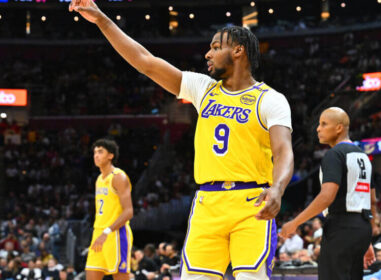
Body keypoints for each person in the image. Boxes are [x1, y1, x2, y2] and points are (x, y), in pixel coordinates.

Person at [69, 1, 294, 279]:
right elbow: (145, 62)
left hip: (251, 202)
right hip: (207, 203)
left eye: (215, 47)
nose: (207, 53)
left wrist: (279, 188)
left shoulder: (270, 99)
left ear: (238, 50)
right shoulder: (204, 89)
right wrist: (102, 20)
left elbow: (283, 151)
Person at [281, 107, 374, 280]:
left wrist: (295, 222)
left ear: (339, 128)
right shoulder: (363, 156)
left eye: (324, 124)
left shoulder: (334, 154)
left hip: (341, 228)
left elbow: (327, 197)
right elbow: (371, 200)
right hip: (362, 229)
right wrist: (367, 240)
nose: (318, 128)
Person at [85, 139, 134, 280]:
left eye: (100, 152)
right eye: (94, 152)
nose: (96, 155)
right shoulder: (99, 179)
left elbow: (129, 211)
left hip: (116, 234)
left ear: (110, 156)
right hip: (98, 234)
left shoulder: (119, 177)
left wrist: (107, 231)